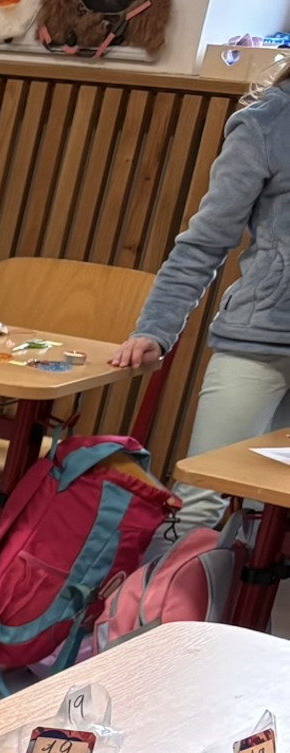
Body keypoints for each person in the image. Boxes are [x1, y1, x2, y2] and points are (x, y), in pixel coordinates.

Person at [113, 61, 290, 525]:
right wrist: (155, 329)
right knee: (203, 502)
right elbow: (205, 242)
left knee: (268, 521)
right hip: (258, 344)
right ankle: (164, 579)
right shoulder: (267, 122)